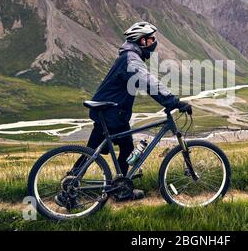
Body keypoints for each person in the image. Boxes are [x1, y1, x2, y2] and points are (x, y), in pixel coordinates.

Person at [56, 22, 192, 207]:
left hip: (114, 113)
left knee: (124, 149)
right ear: (142, 40)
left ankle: (121, 189)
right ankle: (69, 193)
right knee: (91, 154)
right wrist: (173, 102)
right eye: (151, 39)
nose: (154, 43)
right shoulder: (131, 59)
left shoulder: (130, 56)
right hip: (111, 112)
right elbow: (148, 82)